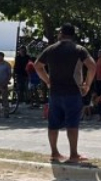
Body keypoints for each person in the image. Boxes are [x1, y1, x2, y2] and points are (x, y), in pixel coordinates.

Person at [35, 23, 96, 163]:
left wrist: (48, 80)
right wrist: (87, 84)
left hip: (55, 91)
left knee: (53, 123)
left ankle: (54, 152)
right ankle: (73, 154)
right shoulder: (79, 50)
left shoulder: (50, 49)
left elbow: (38, 66)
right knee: (72, 123)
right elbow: (92, 66)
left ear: (61, 33)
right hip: (73, 91)